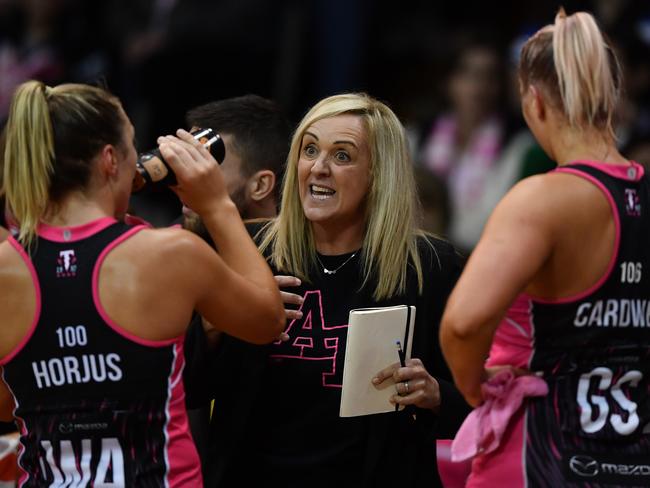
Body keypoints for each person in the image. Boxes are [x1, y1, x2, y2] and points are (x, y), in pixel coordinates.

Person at [0, 80, 284, 486]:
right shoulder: (170, 254)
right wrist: (217, 205)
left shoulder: (4, 267)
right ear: (111, 160)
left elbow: (5, 403)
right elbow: (267, 319)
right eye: (134, 145)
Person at [203, 92, 470, 488]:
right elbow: (187, 382)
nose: (319, 168)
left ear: (379, 173)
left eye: (342, 156)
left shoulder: (431, 265)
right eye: (309, 150)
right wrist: (221, 318)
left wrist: (436, 394)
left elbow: (483, 401)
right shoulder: (247, 250)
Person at [440, 9, 650, 487]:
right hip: (635, 458)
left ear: (534, 101)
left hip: (540, 455)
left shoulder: (542, 199)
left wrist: (474, 388)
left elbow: (463, 323)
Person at [182, 94, 291, 231]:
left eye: (206, 167)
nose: (184, 179)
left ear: (260, 185)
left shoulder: (287, 252)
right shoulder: (181, 231)